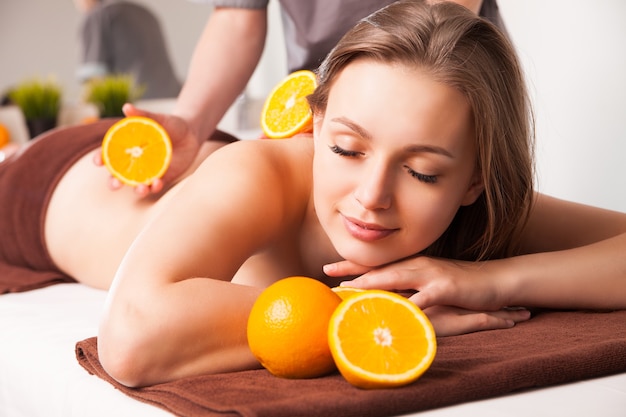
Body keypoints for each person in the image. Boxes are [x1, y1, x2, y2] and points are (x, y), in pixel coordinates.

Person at [0, 0, 624, 388]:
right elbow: (132, 340)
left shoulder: (478, 205)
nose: (372, 196)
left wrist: (487, 280)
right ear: (315, 125)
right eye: (347, 151)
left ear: (477, 179)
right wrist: (372, 312)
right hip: (50, 182)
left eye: (424, 173)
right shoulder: (263, 175)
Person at [108, 0, 507, 196]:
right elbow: (236, 17)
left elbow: (440, 27)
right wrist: (191, 122)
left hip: (435, 100)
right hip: (318, 118)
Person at [74, 0, 182, 99]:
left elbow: (93, 80)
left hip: (136, 106)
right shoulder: (147, 14)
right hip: (173, 99)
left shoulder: (97, 16)